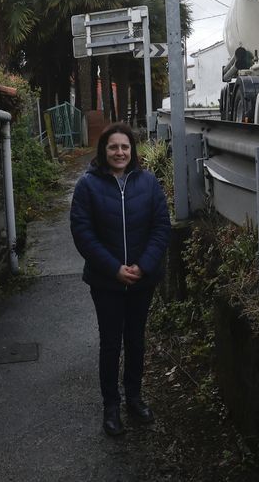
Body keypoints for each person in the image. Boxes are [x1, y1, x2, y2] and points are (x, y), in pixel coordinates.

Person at [70, 122, 171, 437]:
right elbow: (83, 233)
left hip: (142, 279)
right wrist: (115, 268)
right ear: (104, 151)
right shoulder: (88, 186)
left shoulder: (149, 182)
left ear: (132, 151)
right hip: (107, 282)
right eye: (113, 147)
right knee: (111, 343)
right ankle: (111, 406)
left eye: (125, 147)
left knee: (136, 340)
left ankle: (134, 398)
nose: (119, 152)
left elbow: (161, 226)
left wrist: (144, 265)